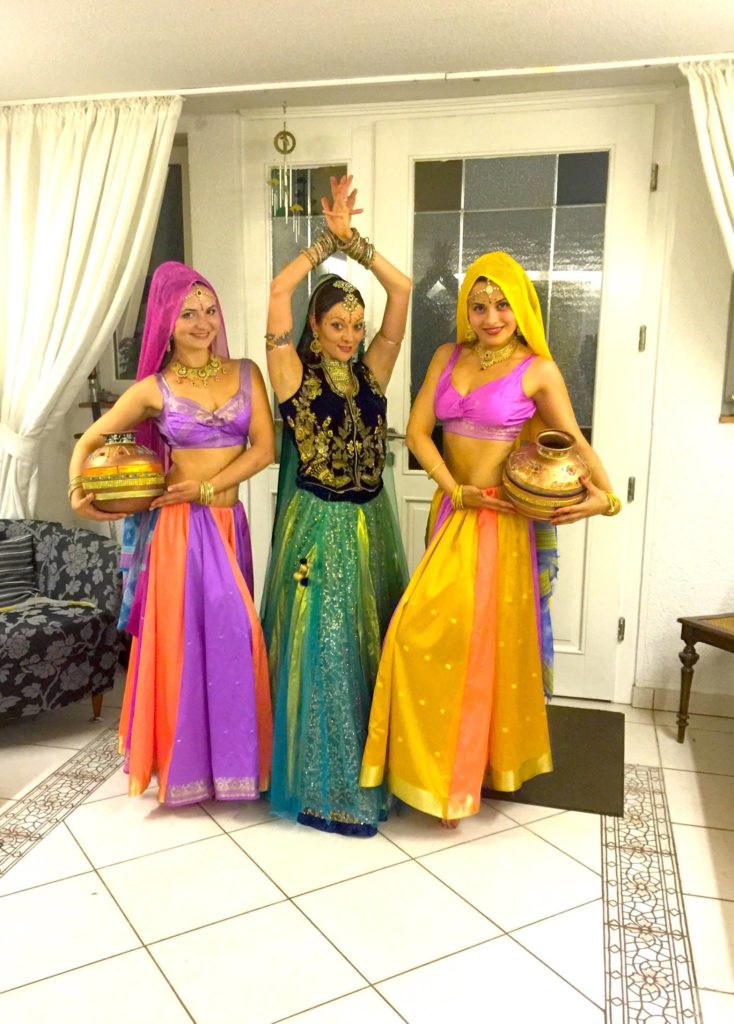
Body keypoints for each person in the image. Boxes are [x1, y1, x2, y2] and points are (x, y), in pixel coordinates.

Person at [360, 251, 621, 827]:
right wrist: (456, 489)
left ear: (521, 307)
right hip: (453, 515)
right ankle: (437, 771)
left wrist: (607, 498)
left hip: (501, 526)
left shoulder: (537, 370)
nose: (491, 316)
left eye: (502, 304)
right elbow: (419, 433)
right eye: (478, 306)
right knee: (418, 636)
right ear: (465, 311)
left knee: (478, 650)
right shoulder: (446, 356)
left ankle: (460, 779)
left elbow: (573, 441)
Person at [67, 261, 274, 807]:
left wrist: (208, 489)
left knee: (231, 638)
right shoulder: (153, 389)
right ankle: (185, 768)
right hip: (179, 531)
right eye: (188, 314)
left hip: (226, 523)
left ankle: (232, 765)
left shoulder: (247, 373)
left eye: (209, 310)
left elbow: (264, 450)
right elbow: (89, 440)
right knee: (184, 645)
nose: (203, 323)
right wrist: (78, 493)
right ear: (166, 321)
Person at [261, 175, 410, 836]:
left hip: (370, 527)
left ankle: (372, 771)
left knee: (368, 649)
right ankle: (324, 786)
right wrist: (325, 243)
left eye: (356, 325)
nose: (350, 335)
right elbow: (277, 292)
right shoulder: (292, 372)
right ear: (314, 328)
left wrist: (358, 245)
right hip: (318, 529)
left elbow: (402, 290)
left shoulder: (373, 370)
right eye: (337, 325)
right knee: (323, 650)